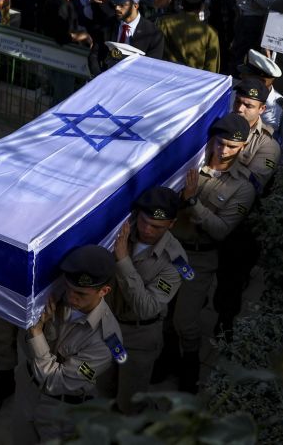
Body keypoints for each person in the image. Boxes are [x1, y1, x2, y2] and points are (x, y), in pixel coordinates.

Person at [170, 113, 256, 393]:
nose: (224, 150)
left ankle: (190, 364)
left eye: (232, 146)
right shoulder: (191, 162)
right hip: (170, 249)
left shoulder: (242, 186)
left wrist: (193, 201)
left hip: (198, 258)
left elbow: (220, 230)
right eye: (220, 143)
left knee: (185, 320)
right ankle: (166, 358)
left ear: (243, 146)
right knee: (164, 310)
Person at [14, 244, 121, 444]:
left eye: (81, 294)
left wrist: (36, 333)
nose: (71, 297)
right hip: (27, 389)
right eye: (70, 288)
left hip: (61, 409)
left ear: (104, 291)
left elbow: (56, 382)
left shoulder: (106, 341)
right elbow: (24, 346)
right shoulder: (55, 297)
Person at [107, 187, 187, 412]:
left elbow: (147, 308)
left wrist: (123, 261)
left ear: (171, 224)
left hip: (140, 336)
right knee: (104, 389)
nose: (148, 230)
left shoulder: (176, 261)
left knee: (130, 402)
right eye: (144, 222)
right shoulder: (121, 232)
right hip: (109, 328)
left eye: (157, 226)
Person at [89, 0, 164, 74]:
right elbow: (94, 55)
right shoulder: (108, 24)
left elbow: (152, 67)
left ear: (135, 5)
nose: (117, 8)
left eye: (122, 5)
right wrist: (100, 77)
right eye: (116, 4)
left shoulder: (153, 34)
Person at [158, 0, 220, 72]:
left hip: (166, 78)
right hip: (196, 83)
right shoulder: (210, 33)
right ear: (202, 6)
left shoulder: (163, 23)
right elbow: (212, 69)